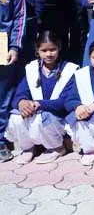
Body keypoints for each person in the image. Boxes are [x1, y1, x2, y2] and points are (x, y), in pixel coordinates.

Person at [6, 31, 78, 164]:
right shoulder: (32, 68)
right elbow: (20, 93)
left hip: (58, 117)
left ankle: (57, 148)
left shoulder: (70, 70)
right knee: (16, 117)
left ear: (59, 48)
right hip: (37, 111)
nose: (49, 54)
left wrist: (38, 104)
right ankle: (28, 149)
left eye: (52, 49)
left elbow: (65, 102)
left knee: (42, 117)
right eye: (44, 50)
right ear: (37, 51)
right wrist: (22, 103)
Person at [0, 0, 26, 162]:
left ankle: (0, 142)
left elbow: (19, 17)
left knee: (2, 95)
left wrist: (14, 46)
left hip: (3, 42)